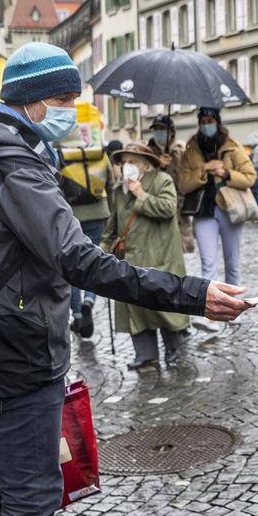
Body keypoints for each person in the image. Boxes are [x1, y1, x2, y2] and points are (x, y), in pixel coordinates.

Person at [0, 42, 250, 516]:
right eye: (62, 100)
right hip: (15, 346)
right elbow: (80, 261)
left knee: (0, 486)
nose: (71, 111)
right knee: (31, 493)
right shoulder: (13, 163)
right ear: (31, 102)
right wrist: (192, 293)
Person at [104, 143, 189, 369]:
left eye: (132, 161)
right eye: (124, 162)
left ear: (145, 163)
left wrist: (141, 195)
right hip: (131, 258)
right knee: (136, 306)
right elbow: (113, 224)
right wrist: (102, 251)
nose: (127, 167)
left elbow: (168, 209)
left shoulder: (162, 180)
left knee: (164, 306)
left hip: (160, 256)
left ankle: (174, 349)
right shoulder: (118, 189)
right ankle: (146, 354)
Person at [179, 106, 256, 331]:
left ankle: (233, 309)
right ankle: (210, 315)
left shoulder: (232, 146)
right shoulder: (191, 148)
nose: (207, 123)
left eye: (211, 120)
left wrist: (226, 174)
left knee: (232, 261)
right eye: (203, 120)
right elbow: (184, 183)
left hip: (229, 209)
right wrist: (203, 170)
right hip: (203, 211)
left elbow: (250, 177)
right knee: (208, 264)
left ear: (218, 121)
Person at [59, 128, 115, 339]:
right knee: (94, 261)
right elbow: (111, 184)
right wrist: (109, 213)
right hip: (98, 214)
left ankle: (77, 315)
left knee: (73, 266)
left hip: (74, 217)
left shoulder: (60, 157)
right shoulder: (98, 154)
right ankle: (89, 301)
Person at [147, 113, 196, 254]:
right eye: (156, 129)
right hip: (157, 207)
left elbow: (186, 181)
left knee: (178, 251)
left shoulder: (180, 152)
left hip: (179, 209)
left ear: (172, 132)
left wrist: (175, 163)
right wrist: (158, 165)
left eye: (162, 129)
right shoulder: (148, 153)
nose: (159, 133)